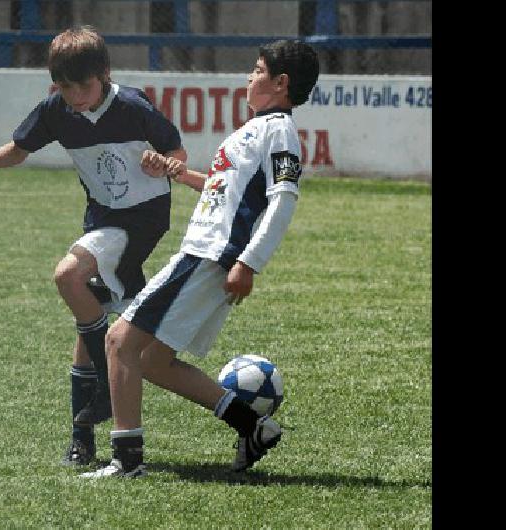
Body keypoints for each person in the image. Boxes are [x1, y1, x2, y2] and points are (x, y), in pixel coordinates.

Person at [80, 39, 320, 478]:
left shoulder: (278, 130)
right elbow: (224, 189)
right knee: (151, 360)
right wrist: (177, 172)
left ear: (281, 83)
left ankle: (126, 461)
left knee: (119, 342)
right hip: (206, 254)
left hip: (209, 256)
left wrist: (250, 263)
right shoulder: (256, 128)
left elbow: (283, 198)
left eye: (258, 69)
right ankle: (252, 427)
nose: (250, 76)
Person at [0, 26, 187, 467]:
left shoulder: (133, 105)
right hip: (101, 218)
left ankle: (103, 384)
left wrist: (164, 166)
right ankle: (82, 438)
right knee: (90, 311)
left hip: (143, 219)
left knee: (68, 276)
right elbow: (20, 149)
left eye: (84, 85)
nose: (77, 96)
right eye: (65, 87)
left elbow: (177, 152)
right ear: (53, 85)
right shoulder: (56, 111)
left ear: (104, 74)